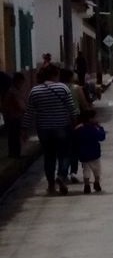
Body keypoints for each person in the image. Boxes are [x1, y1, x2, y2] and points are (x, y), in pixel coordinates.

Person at [21, 63, 79, 195]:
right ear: (55, 74)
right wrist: (75, 124)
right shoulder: (62, 88)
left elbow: (29, 112)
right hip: (62, 126)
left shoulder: (35, 91)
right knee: (64, 154)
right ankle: (62, 176)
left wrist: (24, 129)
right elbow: (72, 109)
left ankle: (51, 185)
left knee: (49, 156)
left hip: (44, 129)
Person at [59, 67, 92, 183]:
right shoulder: (76, 88)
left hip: (59, 121)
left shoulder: (57, 88)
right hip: (74, 120)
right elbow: (84, 104)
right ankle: (72, 172)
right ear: (70, 76)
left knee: (62, 149)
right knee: (73, 148)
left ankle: (61, 173)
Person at [73, 108, 106, 194]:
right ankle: (96, 182)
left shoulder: (78, 128)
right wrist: (100, 127)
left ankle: (87, 185)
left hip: (83, 154)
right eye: (95, 117)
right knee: (97, 170)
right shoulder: (95, 128)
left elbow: (74, 139)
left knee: (86, 170)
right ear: (90, 119)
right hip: (95, 153)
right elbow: (102, 137)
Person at [1, 72, 26, 158]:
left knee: (12, 136)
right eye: (21, 83)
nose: (22, 85)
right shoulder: (14, 92)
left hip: (10, 116)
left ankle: (13, 154)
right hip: (14, 117)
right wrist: (26, 110)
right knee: (15, 136)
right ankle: (16, 154)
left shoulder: (12, 91)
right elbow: (20, 105)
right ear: (17, 81)